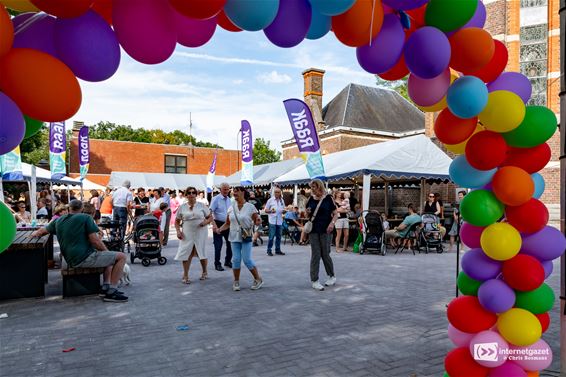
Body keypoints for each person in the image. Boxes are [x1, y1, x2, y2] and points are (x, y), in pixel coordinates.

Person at [31, 200, 128, 302]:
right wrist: (107, 251)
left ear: (69, 208)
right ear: (82, 209)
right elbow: (95, 241)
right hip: (83, 258)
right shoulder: (85, 218)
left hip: (70, 258)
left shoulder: (58, 220)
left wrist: (33, 234)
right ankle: (112, 292)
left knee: (107, 257)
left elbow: (42, 231)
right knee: (121, 257)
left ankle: (105, 287)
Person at [216, 187, 263, 291]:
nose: (234, 193)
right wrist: (220, 229)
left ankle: (258, 279)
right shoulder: (231, 207)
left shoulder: (250, 207)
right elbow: (228, 223)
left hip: (246, 236)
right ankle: (236, 281)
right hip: (233, 236)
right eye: (234, 192)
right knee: (236, 259)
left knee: (247, 260)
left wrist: (258, 221)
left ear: (243, 192)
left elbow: (257, 220)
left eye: (237, 191)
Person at [174, 187, 213, 284]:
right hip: (187, 231)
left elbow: (210, 218)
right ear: (186, 195)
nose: (191, 194)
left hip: (201, 231)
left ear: (196, 194)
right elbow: (177, 221)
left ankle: (204, 271)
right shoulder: (182, 207)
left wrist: (205, 222)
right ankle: (185, 275)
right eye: (189, 193)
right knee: (187, 252)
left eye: (193, 192)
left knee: (201, 251)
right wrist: (178, 231)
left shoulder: (202, 205)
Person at [305, 179, 338, 291]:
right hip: (313, 230)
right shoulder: (310, 199)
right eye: (311, 187)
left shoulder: (329, 198)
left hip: (326, 230)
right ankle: (314, 280)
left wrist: (332, 224)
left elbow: (335, 214)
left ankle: (331, 276)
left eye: (314, 186)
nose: (312, 189)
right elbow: (306, 214)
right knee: (315, 255)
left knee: (325, 254)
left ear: (319, 187)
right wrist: (308, 212)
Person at [209, 183, 233, 271]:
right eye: (224, 189)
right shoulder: (215, 199)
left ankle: (228, 261)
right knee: (218, 246)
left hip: (228, 224)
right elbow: (209, 213)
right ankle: (217, 263)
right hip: (218, 224)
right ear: (220, 189)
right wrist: (214, 225)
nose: (226, 191)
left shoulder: (230, 200)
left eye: (228, 189)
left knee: (230, 244)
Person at [264, 187, 286, 256]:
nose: (276, 193)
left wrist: (284, 211)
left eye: (278, 192)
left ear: (280, 193)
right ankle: (269, 250)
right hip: (272, 220)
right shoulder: (270, 200)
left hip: (279, 220)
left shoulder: (282, 201)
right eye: (275, 192)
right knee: (271, 236)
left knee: (279, 236)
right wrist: (271, 211)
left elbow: (283, 209)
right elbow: (266, 210)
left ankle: (278, 250)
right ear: (274, 193)